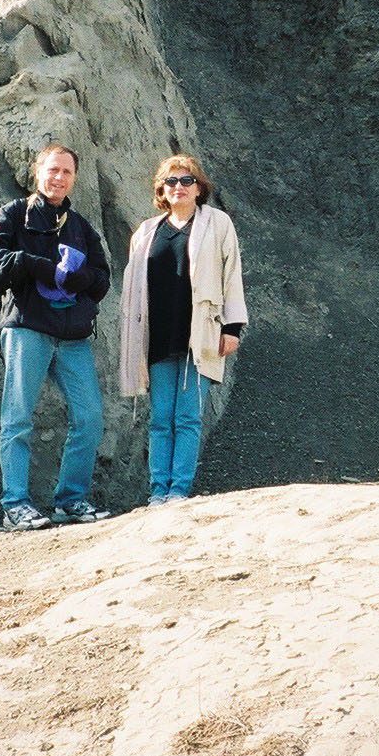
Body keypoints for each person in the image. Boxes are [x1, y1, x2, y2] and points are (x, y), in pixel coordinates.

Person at [0, 144, 113, 530]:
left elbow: (102, 279)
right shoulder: (14, 214)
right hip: (27, 329)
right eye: (52, 170)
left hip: (72, 337)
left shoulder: (81, 226)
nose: (59, 178)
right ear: (38, 172)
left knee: (90, 418)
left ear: (74, 178)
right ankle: (15, 505)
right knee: (17, 418)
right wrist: (33, 265)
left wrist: (77, 277)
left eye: (66, 172)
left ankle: (70, 500)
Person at [119, 154, 247, 504]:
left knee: (188, 417)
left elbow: (231, 274)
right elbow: (133, 290)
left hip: (199, 333)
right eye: (171, 181)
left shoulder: (217, 223)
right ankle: (158, 491)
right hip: (158, 336)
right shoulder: (146, 232)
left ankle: (179, 490)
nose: (179, 187)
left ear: (199, 188)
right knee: (161, 418)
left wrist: (232, 327)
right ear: (161, 189)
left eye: (186, 181)